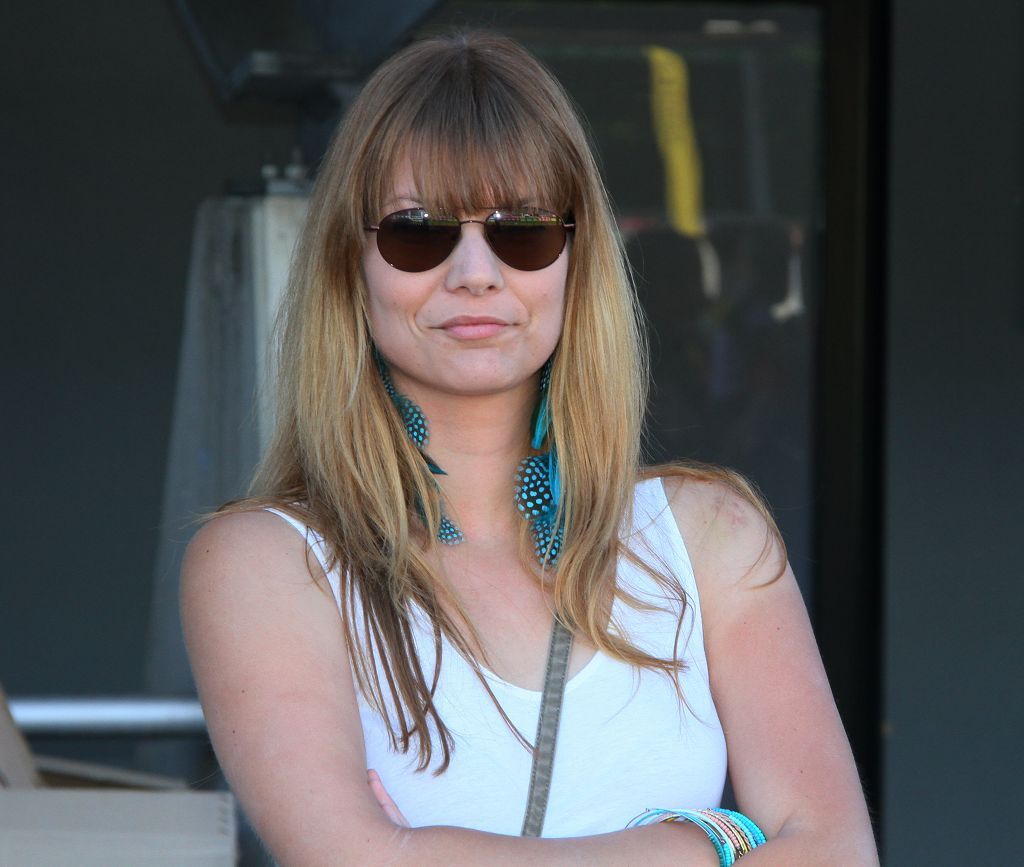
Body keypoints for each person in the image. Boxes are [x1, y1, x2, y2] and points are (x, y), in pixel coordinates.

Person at [181, 31, 878, 865]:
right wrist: (705, 840)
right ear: (349, 264)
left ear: (577, 260)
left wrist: (419, 846)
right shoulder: (264, 561)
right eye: (419, 230)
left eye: (523, 229)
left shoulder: (712, 535)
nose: (475, 271)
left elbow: (838, 851)